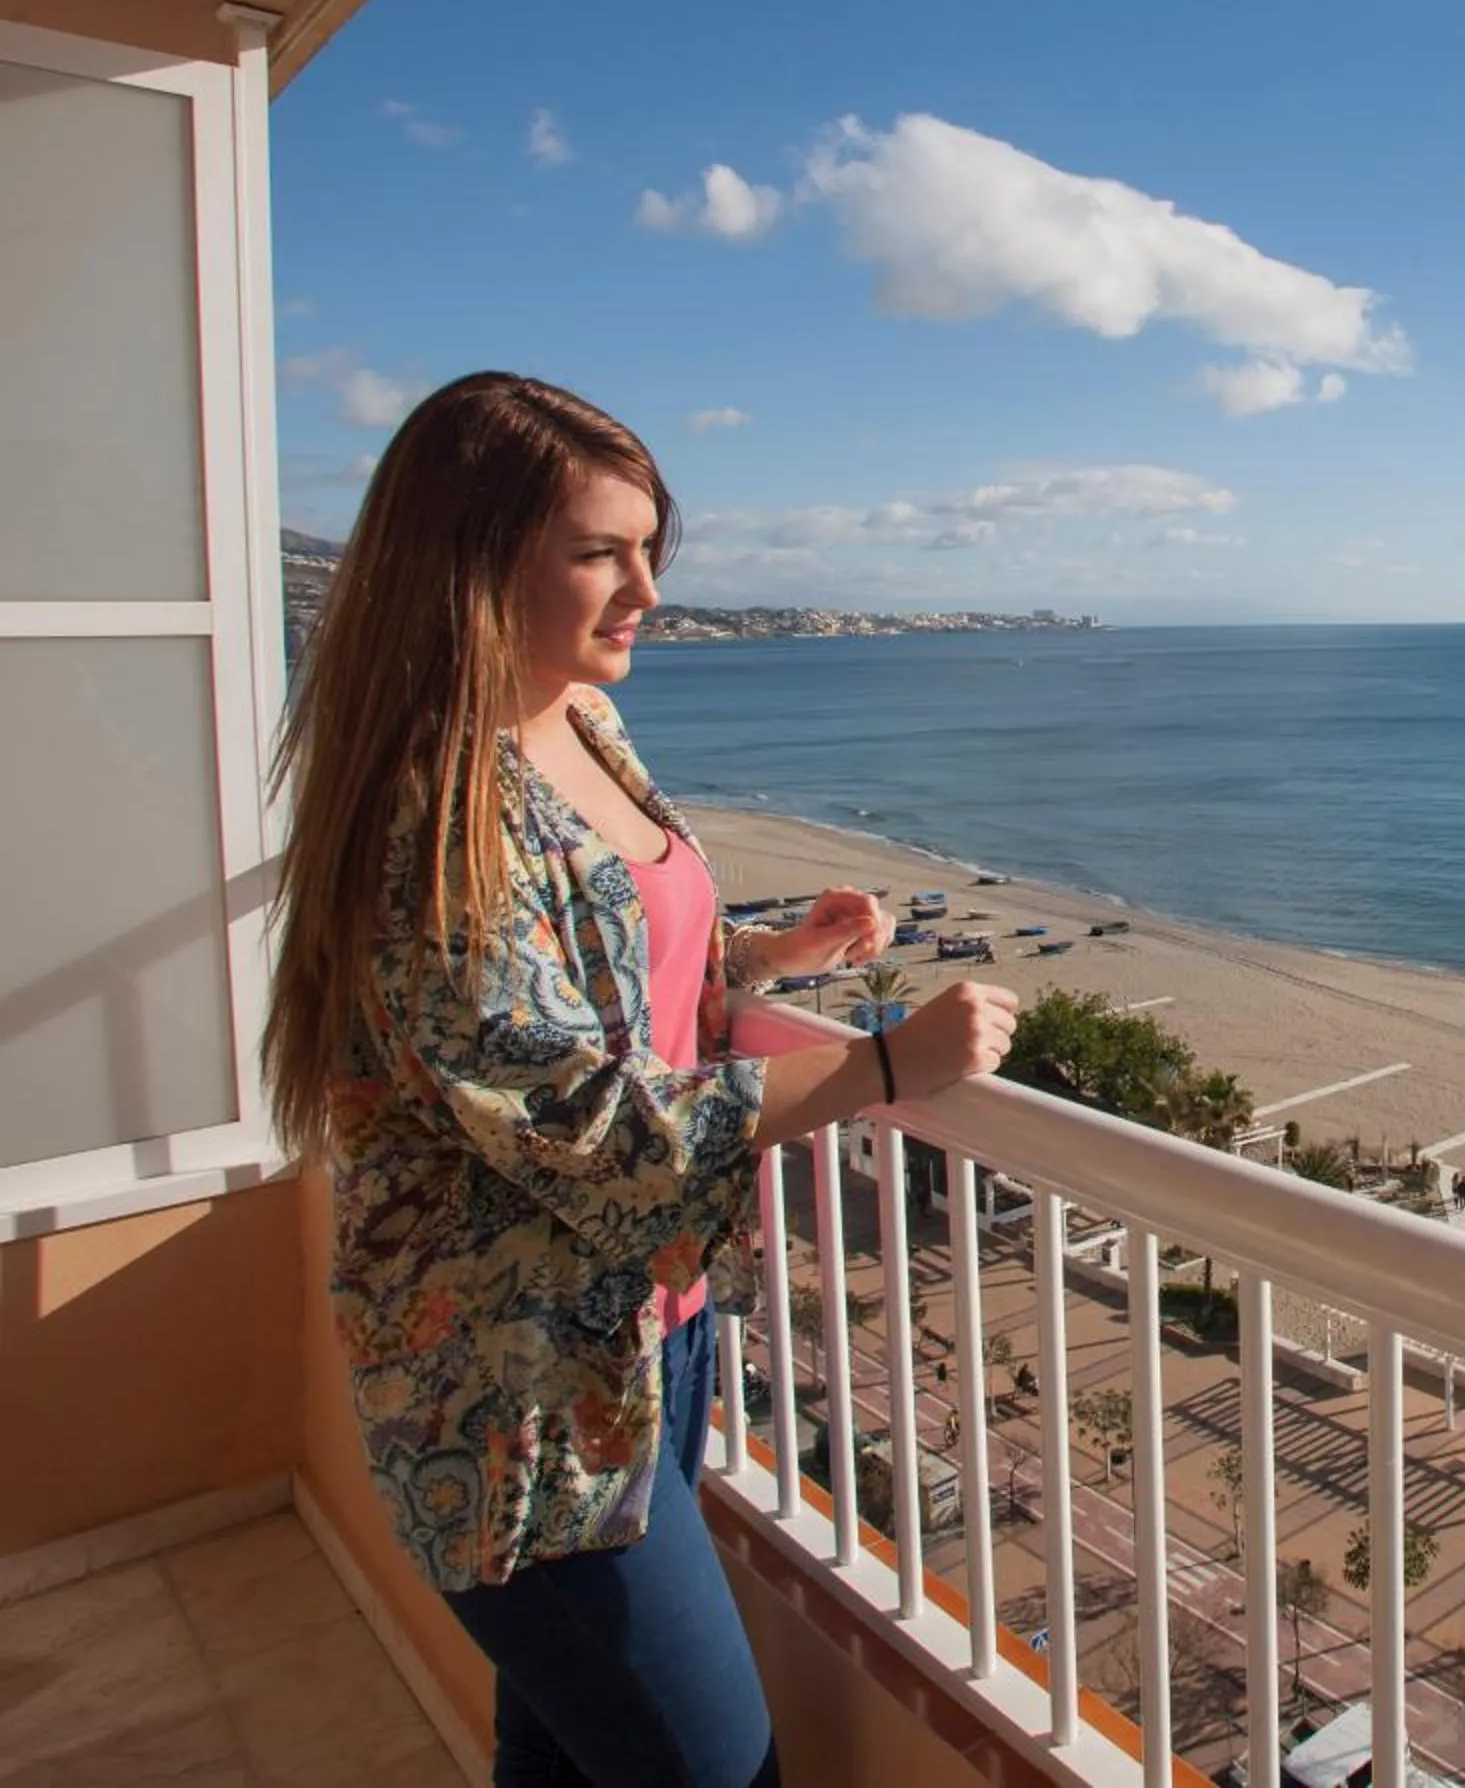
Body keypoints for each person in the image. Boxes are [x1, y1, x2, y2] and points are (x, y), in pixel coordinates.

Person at [262, 373, 1021, 1788]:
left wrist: (752, 957)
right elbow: (584, 1122)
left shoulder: (579, 721)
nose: (648, 590)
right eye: (601, 551)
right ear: (471, 559)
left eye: (652, 547)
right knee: (718, 1774)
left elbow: (597, 970)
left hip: (651, 1334)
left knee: (558, 1758)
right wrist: (886, 1066)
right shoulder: (434, 810)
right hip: (515, 1390)